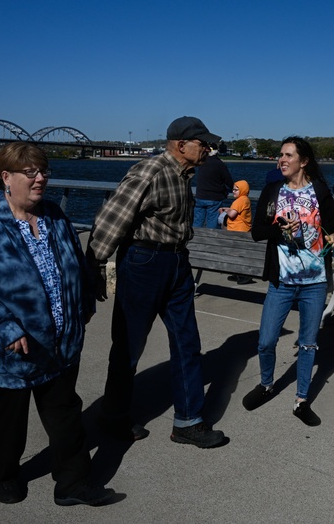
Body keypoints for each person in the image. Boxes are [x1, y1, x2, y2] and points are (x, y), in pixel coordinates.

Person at [0, 142, 113, 507]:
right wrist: (7, 328)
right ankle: (4, 474)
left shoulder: (56, 217)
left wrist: (85, 304)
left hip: (59, 342)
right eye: (30, 172)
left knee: (65, 415)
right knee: (6, 421)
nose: (40, 178)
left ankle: (73, 483)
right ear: (6, 177)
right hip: (9, 349)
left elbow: (76, 265)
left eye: (43, 171)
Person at [87, 116, 227, 448]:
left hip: (176, 262)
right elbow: (112, 219)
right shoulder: (150, 172)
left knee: (187, 344)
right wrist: (92, 268)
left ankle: (188, 423)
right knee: (129, 347)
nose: (208, 148)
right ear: (181, 145)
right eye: (202, 143)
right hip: (144, 262)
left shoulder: (184, 175)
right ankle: (113, 416)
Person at [242, 137, 334, 426]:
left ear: (303, 161)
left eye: (288, 155)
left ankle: (301, 400)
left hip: (314, 282)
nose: (282, 160)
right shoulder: (274, 191)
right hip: (281, 282)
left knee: (308, 345)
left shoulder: (320, 191)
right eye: (280, 155)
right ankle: (266, 385)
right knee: (265, 341)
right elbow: (257, 232)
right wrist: (280, 230)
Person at [220, 180, 254, 284]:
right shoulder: (245, 199)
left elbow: (232, 214)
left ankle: (244, 275)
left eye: (236, 189)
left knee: (238, 253)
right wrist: (228, 209)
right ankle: (237, 273)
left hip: (238, 231)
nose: (233, 191)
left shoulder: (240, 200)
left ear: (243, 190)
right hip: (241, 230)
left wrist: (224, 211)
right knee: (237, 252)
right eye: (233, 189)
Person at [193, 150, 233, 228]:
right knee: (212, 223)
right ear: (216, 152)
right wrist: (234, 188)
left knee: (197, 222)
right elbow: (228, 180)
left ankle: (195, 238)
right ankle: (210, 239)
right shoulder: (220, 164)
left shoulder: (202, 162)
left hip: (200, 196)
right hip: (214, 198)